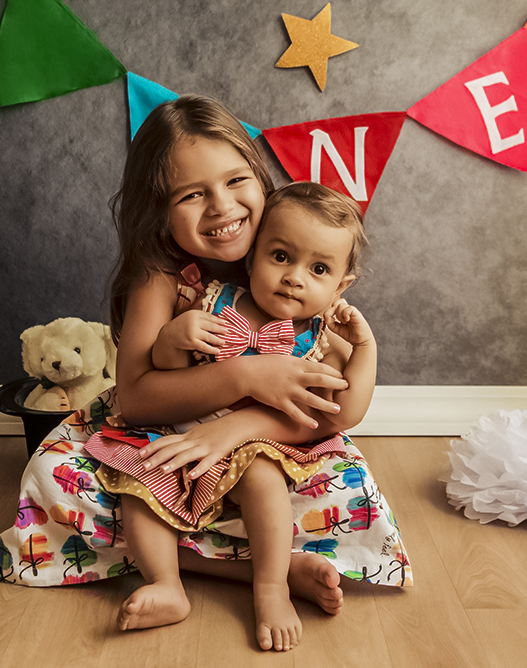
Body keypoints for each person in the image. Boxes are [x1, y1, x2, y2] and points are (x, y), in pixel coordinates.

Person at [0, 95, 411, 652]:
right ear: (157, 209)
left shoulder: (303, 258)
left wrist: (235, 429)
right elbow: (134, 399)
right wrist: (243, 375)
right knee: (75, 476)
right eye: (191, 194)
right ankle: (208, 576)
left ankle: (270, 578)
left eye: (235, 181)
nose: (222, 207)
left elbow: (325, 416)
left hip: (269, 444)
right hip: (165, 427)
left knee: (332, 490)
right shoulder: (164, 274)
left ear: (260, 178)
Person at [86, 182, 376, 650]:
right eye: (280, 256)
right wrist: (173, 339)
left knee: (261, 480)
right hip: (185, 424)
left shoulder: (322, 337)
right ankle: (166, 584)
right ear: (253, 252)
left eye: (318, 269)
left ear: (340, 285)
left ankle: (271, 588)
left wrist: (365, 347)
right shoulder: (212, 301)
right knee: (139, 482)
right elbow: (165, 375)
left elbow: (346, 410)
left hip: (258, 442)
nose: (294, 277)